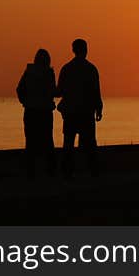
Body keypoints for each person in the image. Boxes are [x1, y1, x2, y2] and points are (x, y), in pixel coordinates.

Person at [57, 39, 103, 178]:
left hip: (71, 112)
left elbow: (60, 91)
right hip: (86, 113)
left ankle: (67, 172)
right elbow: (96, 92)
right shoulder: (91, 69)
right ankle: (93, 172)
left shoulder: (66, 68)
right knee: (90, 144)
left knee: (68, 143)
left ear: (73, 50)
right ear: (85, 50)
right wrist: (99, 109)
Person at [16, 48, 57, 176]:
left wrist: (25, 102)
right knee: (48, 142)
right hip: (45, 112)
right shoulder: (49, 73)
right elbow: (53, 91)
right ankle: (49, 171)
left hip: (31, 111)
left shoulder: (29, 72)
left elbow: (19, 89)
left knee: (30, 142)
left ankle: (31, 172)